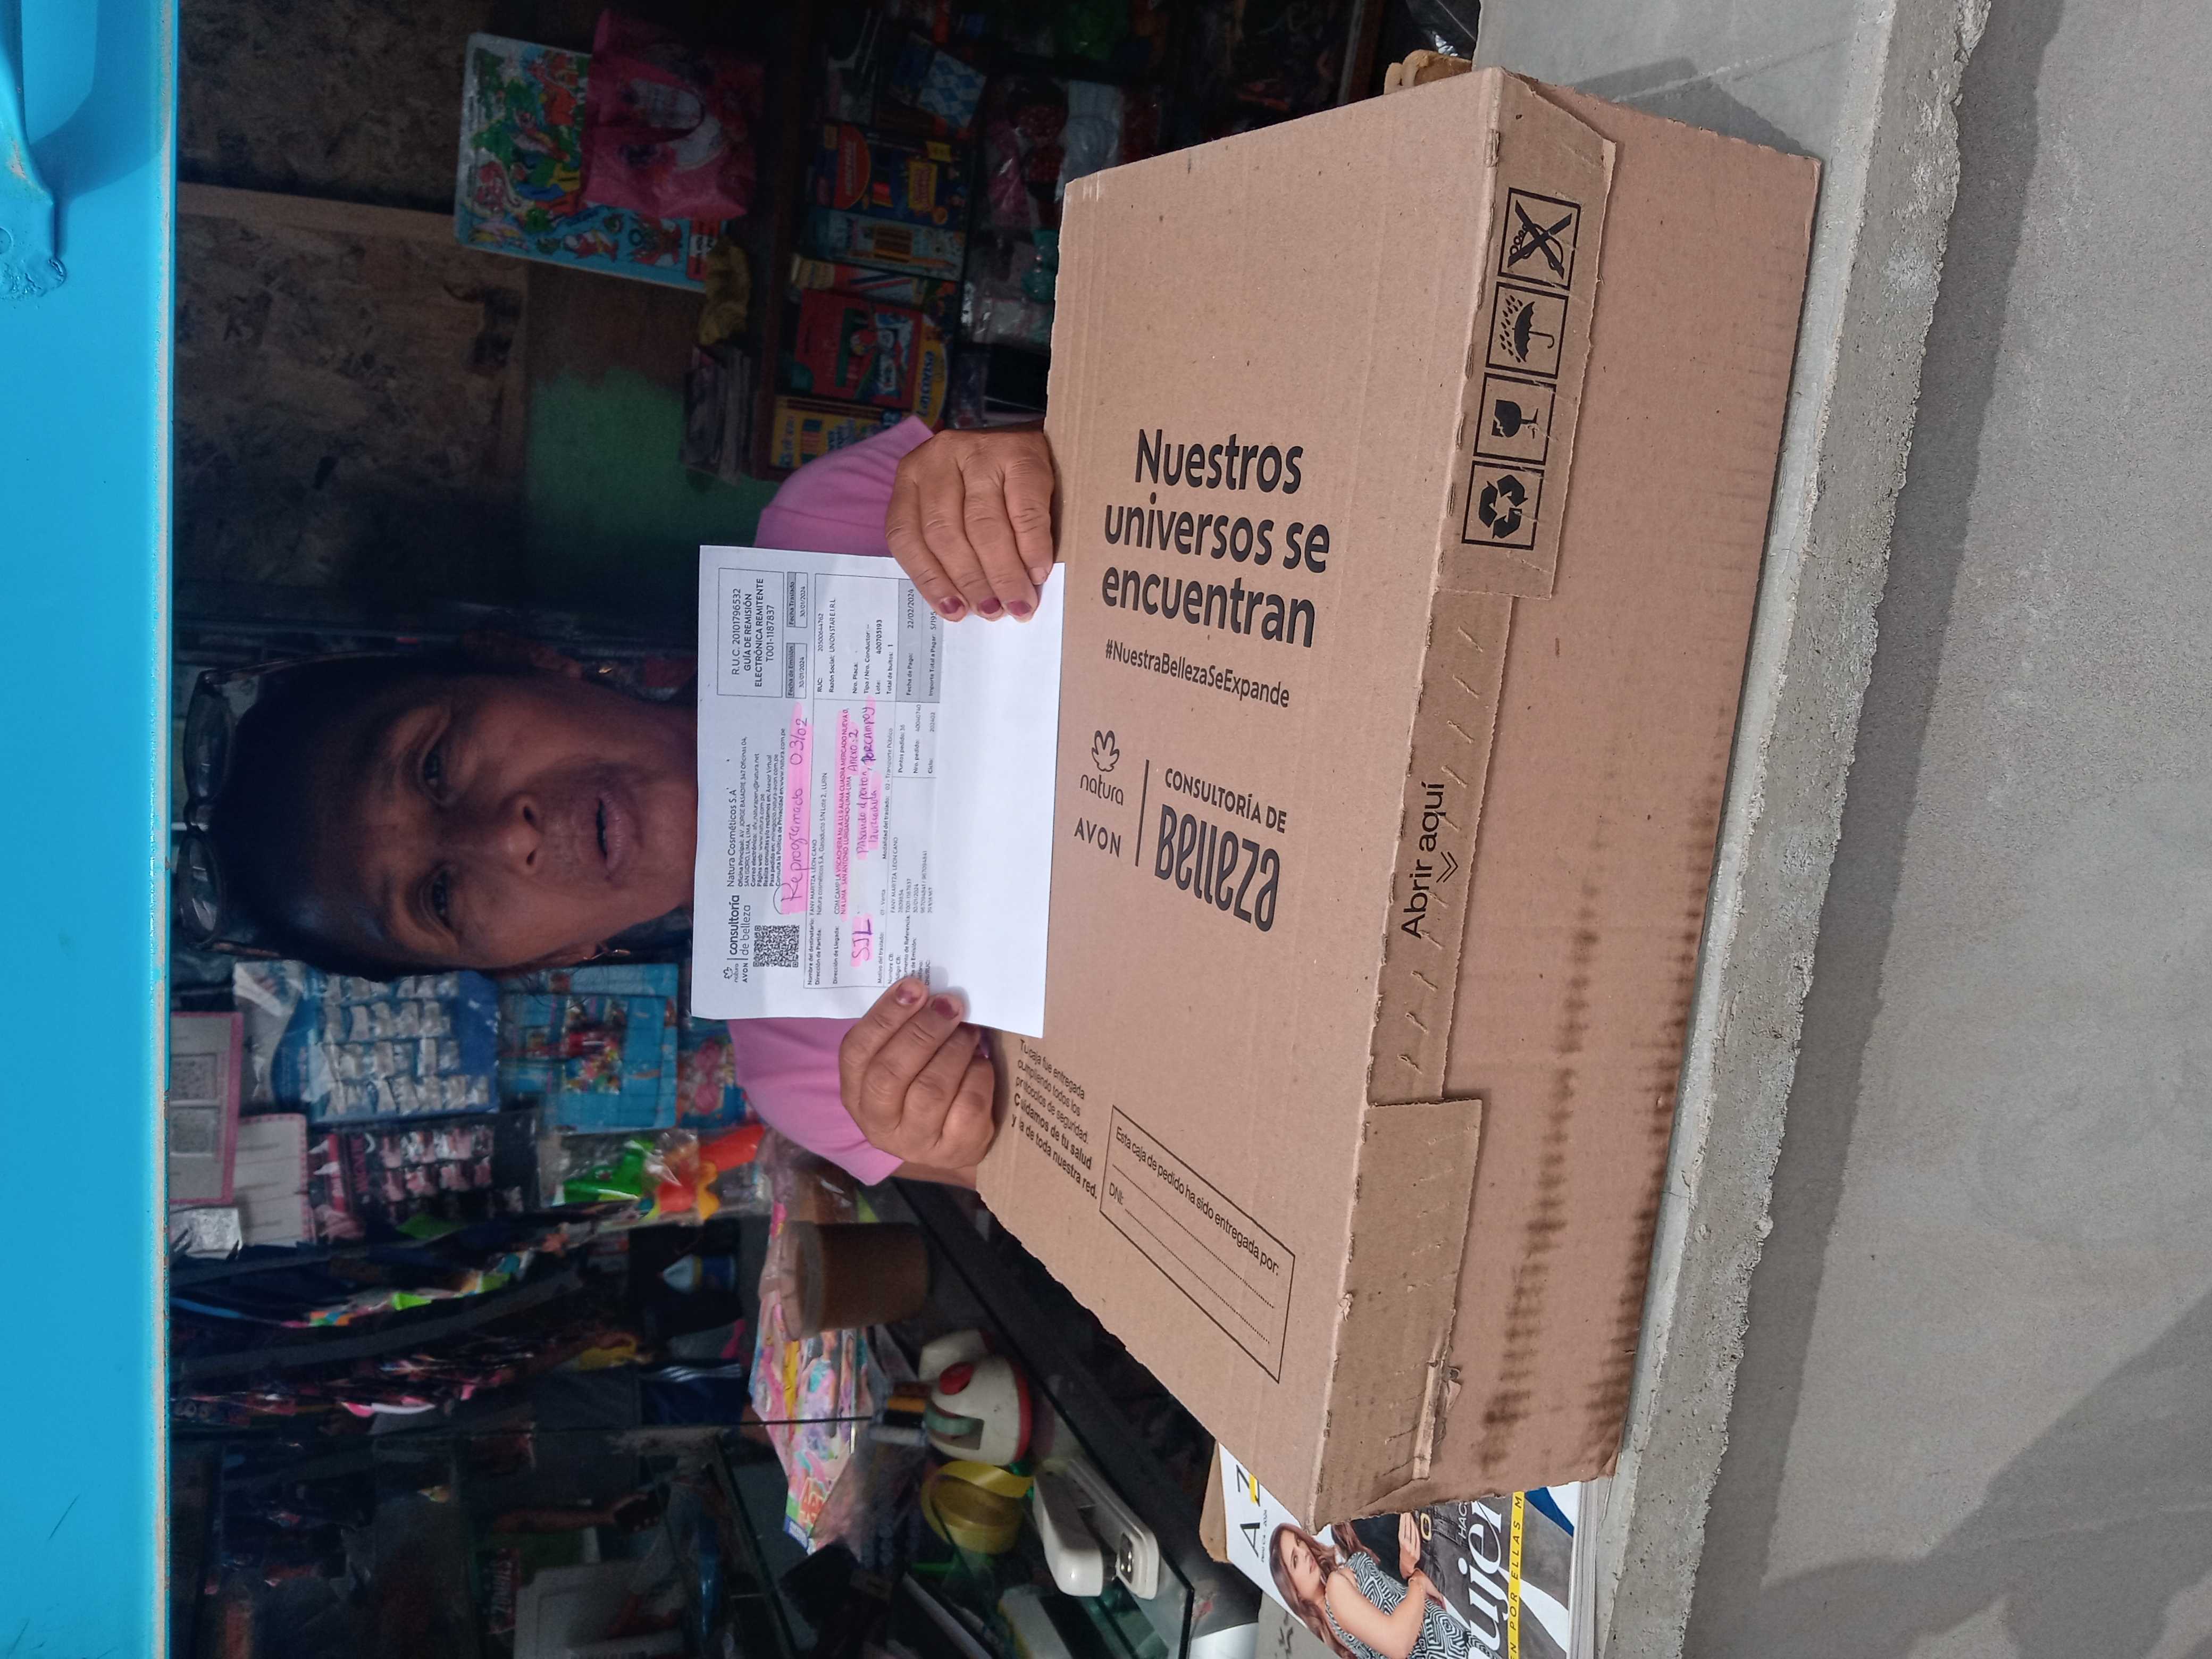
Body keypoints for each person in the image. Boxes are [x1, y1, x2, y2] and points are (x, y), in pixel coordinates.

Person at [195, 419, 1058, 1188]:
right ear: (550, 959)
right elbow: (1074, 1193)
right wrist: (972, 1142)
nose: (504, 838)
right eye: (441, 898)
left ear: (528, 661)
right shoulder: (821, 1084)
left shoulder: (837, 525)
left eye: (434, 765)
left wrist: (1022, 468)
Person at [1270, 1520, 1469, 1659]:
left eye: (1299, 1543)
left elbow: (1392, 1605)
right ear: (1294, 1592)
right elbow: (1398, 1643)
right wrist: (1418, 1583)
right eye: (1295, 1560)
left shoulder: (1333, 1623)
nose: (1304, 1553)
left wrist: (1410, 1574)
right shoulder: (1335, 1589)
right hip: (1452, 1647)